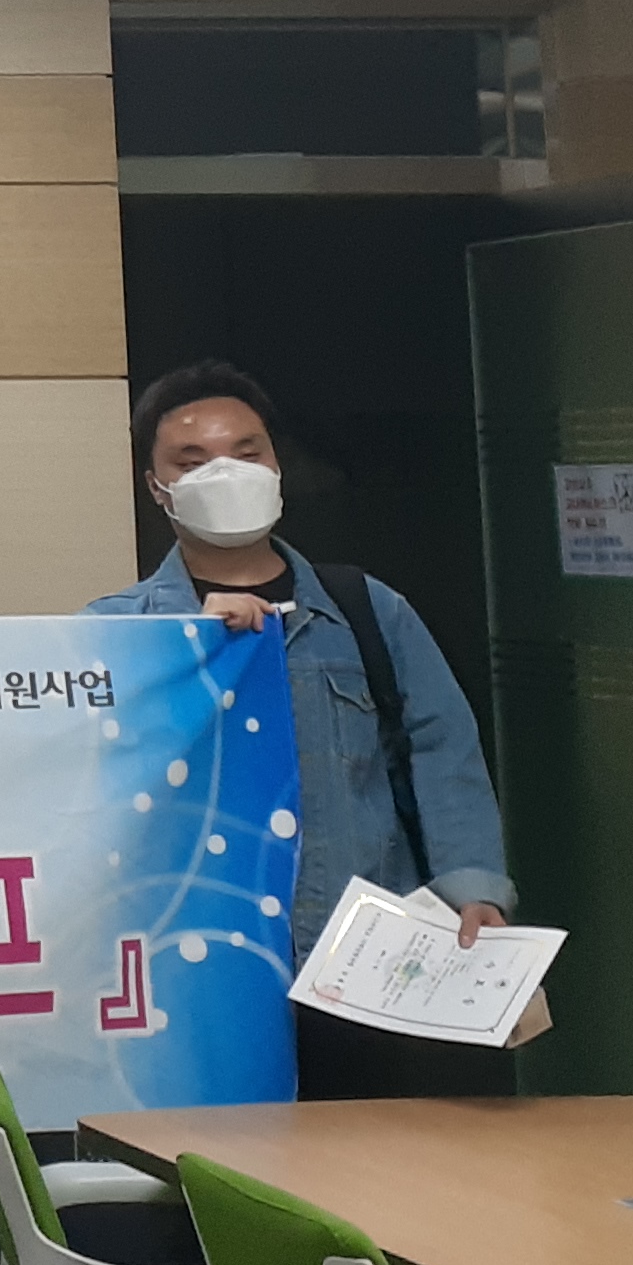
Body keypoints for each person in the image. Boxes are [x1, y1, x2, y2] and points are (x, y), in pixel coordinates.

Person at [88, 360, 516, 1101]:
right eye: (192, 461)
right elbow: (96, 781)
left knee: (374, 1151)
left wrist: (473, 889)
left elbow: (442, 751)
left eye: (245, 451)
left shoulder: (367, 609)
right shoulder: (119, 631)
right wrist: (192, 652)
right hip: (198, 972)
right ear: (156, 487)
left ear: (277, 464)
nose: (225, 473)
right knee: (225, 1157)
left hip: (366, 958)